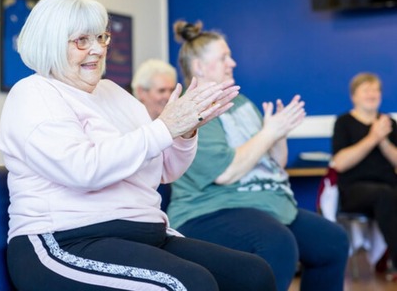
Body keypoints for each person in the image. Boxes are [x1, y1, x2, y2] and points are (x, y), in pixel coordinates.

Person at [0, 0, 277, 291]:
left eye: (101, 37)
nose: (97, 50)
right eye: (81, 40)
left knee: (253, 275)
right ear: (50, 43)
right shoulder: (34, 94)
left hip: (146, 233)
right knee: (192, 285)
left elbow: (166, 170)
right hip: (66, 239)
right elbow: (83, 170)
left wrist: (185, 132)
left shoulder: (114, 94)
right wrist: (164, 128)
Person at [167, 20, 349, 291]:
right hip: (211, 209)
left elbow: (278, 163)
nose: (233, 63)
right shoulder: (194, 109)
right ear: (198, 67)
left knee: (332, 241)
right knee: (277, 244)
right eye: (224, 57)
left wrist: (278, 133)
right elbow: (227, 172)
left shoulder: (240, 102)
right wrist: (268, 133)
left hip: (266, 203)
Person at [332, 72, 397, 282]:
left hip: (388, 188)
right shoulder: (343, 123)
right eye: (366, 89)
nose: (372, 93)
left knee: (388, 194)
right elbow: (340, 163)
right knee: (385, 195)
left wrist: (384, 140)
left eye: (376, 89)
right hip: (354, 191)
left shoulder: (389, 123)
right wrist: (373, 137)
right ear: (354, 96)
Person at [131, 59, 178, 211]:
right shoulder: (128, 127)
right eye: (162, 90)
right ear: (140, 92)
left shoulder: (179, 126)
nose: (169, 96)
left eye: (172, 90)